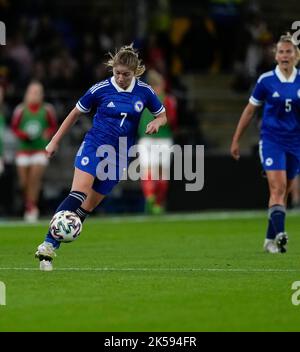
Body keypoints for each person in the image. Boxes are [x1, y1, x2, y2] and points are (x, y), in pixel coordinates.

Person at [35, 44, 168, 271]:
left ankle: (53, 243)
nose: (121, 77)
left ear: (135, 72)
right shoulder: (100, 89)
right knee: (77, 194)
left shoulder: (144, 91)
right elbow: (75, 113)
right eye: (117, 73)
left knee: (85, 208)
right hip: (94, 146)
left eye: (126, 74)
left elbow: (162, 115)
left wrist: (156, 122)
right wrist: (55, 140)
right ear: (112, 70)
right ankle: (48, 245)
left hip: (119, 156)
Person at [230, 33, 300, 254]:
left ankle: (269, 240)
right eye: (281, 51)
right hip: (271, 140)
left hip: (295, 142)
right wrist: (236, 139)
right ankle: (280, 235)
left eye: (288, 51)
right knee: (277, 187)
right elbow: (250, 110)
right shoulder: (266, 80)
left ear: (296, 55)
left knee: (285, 191)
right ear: (276, 55)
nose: (284, 55)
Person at [11, 81, 57, 222]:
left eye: (38, 92)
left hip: (40, 150)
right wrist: (24, 135)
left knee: (34, 179)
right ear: (27, 93)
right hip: (24, 150)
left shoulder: (47, 109)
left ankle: (31, 207)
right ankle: (29, 204)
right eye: (33, 92)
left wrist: (47, 134)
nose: (35, 95)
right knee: (24, 183)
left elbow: (53, 126)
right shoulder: (20, 110)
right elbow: (14, 127)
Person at [137, 69, 177, 214]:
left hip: (146, 140)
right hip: (164, 139)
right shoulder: (168, 100)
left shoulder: (141, 100)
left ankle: (149, 197)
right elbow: (172, 120)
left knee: (147, 171)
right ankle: (158, 205)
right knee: (162, 174)